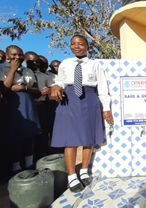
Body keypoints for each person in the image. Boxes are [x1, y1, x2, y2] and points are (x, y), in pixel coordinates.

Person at [50, 34, 113, 192]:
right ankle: (72, 176)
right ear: (70, 46)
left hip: (90, 99)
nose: (76, 46)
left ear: (87, 47)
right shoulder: (65, 63)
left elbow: (103, 87)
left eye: (80, 44)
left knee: (88, 138)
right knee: (69, 140)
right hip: (69, 99)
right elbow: (60, 81)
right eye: (73, 44)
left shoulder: (95, 64)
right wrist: (56, 86)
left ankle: (84, 171)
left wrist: (106, 108)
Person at [0, 45, 41, 174]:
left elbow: (37, 90)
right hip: (12, 104)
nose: (17, 57)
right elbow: (5, 89)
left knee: (29, 134)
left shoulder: (28, 71)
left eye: (20, 54)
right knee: (15, 136)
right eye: (14, 54)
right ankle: (16, 167)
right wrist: (12, 70)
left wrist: (24, 88)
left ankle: (29, 164)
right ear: (7, 56)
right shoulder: (1, 68)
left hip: (28, 102)